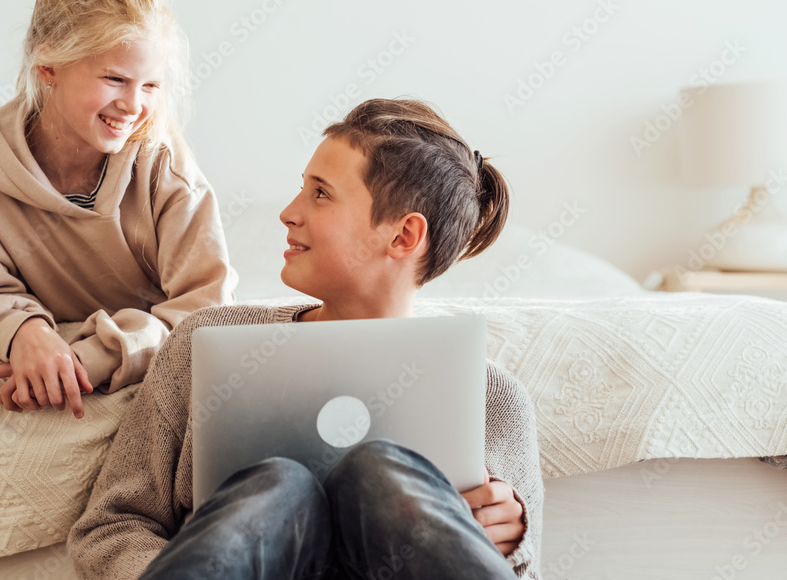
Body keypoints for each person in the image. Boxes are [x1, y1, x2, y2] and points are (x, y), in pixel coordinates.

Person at [67, 98, 543, 579]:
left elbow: (526, 570)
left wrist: (510, 537)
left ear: (403, 236)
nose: (288, 213)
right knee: (282, 486)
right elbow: (111, 526)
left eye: (320, 194)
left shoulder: (493, 401)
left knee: (380, 474)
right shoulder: (208, 346)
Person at [0, 0, 235, 419]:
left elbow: (207, 310)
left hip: (138, 345)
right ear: (49, 66)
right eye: (115, 79)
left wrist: (89, 358)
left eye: (150, 85)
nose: (134, 106)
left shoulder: (161, 162)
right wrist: (26, 333)